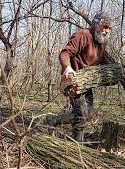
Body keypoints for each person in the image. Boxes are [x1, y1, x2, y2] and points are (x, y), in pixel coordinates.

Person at [46, 12, 112, 142]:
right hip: (73, 82)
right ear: (96, 25)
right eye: (105, 27)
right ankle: (78, 149)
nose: (107, 31)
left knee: (87, 114)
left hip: (87, 83)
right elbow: (65, 53)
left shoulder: (101, 43)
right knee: (81, 115)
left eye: (109, 28)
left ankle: (53, 120)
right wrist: (67, 67)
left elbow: (104, 61)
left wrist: (113, 72)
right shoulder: (82, 35)